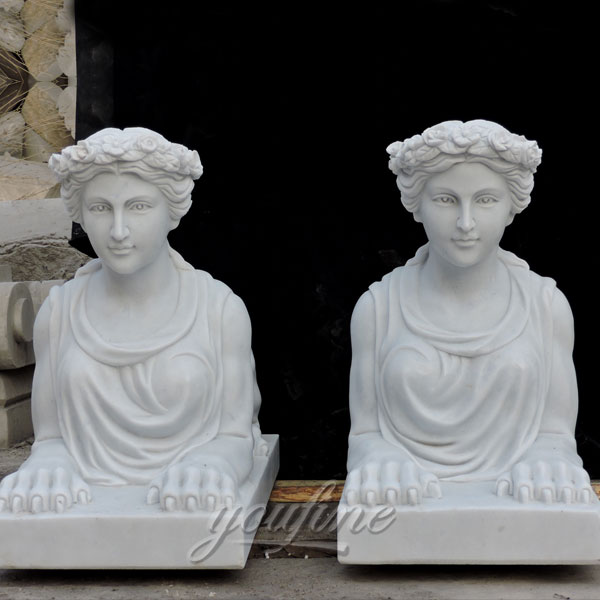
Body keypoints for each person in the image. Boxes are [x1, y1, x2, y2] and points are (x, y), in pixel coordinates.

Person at [0, 127, 267, 514]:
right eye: (100, 208)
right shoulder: (59, 315)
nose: (119, 231)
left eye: (139, 206)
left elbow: (237, 435)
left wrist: (213, 462)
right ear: (80, 214)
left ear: (172, 211)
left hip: (189, 495)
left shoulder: (218, 311)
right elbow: (51, 438)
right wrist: (49, 463)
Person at [345, 119, 593, 506]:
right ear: (417, 205)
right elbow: (364, 435)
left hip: (520, 496)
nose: (465, 223)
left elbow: (555, 434)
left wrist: (549, 457)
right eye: (446, 200)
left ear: (512, 207)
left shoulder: (545, 308)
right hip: (408, 493)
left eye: (485, 200)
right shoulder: (378, 310)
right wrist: (379, 458)